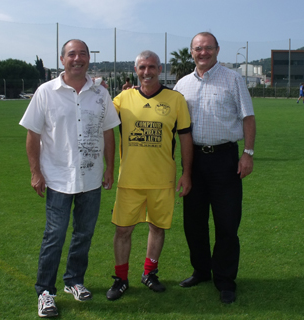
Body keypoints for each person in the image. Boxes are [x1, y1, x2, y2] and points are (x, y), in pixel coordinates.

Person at [19, 39, 120, 318]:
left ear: (89, 58)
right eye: (72, 54)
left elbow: (109, 131)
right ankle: (45, 292)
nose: (78, 58)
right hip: (57, 178)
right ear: (62, 59)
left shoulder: (100, 93)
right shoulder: (45, 92)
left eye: (83, 54)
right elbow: (32, 134)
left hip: (90, 177)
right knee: (55, 235)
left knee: (84, 234)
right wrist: (35, 172)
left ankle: (74, 281)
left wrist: (110, 168)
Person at [174, 32, 256, 304]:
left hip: (225, 160)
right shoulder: (182, 84)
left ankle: (225, 280)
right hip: (193, 161)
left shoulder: (232, 78)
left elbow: (248, 117)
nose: (203, 52)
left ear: (217, 50)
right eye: (198, 48)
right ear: (192, 52)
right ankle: (201, 270)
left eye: (208, 48)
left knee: (227, 223)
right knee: (193, 222)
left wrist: (247, 153)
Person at [106, 50, 193, 301]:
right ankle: (121, 279)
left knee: (158, 227)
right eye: (142, 67)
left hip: (162, 180)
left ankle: (149, 273)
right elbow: (100, 116)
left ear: (160, 68)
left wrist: (187, 173)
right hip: (129, 180)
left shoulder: (176, 100)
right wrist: (97, 86)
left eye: (152, 67)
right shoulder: (122, 98)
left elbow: (185, 138)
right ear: (136, 70)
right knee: (123, 230)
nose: (147, 72)